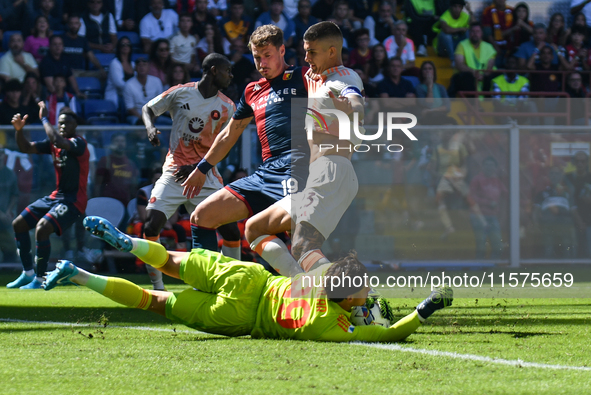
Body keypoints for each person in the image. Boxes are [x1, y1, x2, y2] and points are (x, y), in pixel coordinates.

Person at [43, 216, 454, 342]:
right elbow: (386, 336)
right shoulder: (329, 324)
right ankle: (78, 275)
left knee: (168, 260)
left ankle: (127, 242)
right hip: (239, 318)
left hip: (249, 279)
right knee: (155, 302)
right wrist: (424, 310)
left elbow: (309, 260)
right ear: (346, 300)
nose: (365, 300)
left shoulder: (328, 277)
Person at [244, 21, 365, 276]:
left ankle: (363, 302)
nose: (306, 58)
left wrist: (350, 109)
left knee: (302, 245)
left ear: (332, 52)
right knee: (255, 228)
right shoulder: (318, 77)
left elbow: (355, 102)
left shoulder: (343, 77)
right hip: (319, 174)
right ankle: (307, 291)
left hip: (331, 171)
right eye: (305, 51)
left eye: (312, 52)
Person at [180, 24, 309, 254]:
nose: (262, 63)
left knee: (301, 234)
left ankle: (348, 285)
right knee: (202, 216)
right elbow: (230, 133)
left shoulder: (303, 77)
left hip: (299, 167)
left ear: (282, 51)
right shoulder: (252, 91)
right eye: (257, 57)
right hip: (265, 173)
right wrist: (202, 169)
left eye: (267, 56)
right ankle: (211, 285)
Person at [140, 53, 242, 290]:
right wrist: (150, 128)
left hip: (206, 176)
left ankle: (234, 283)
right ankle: (157, 286)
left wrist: (199, 167)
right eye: (227, 71)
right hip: (175, 172)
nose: (231, 76)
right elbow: (148, 108)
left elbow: (225, 145)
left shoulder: (228, 106)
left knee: (230, 230)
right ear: (214, 70)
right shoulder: (180, 92)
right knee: (150, 226)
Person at [7, 103, 89, 289]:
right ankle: (28, 273)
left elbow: (59, 141)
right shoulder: (55, 143)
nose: (62, 126)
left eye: (66, 123)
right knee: (18, 224)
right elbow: (25, 148)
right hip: (56, 197)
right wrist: (19, 130)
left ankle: (40, 278)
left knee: (42, 228)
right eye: (60, 123)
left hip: (74, 201)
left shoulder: (78, 143)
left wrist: (44, 118)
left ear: (75, 126)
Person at [468, 156, 506, 260]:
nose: (489, 167)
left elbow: (505, 196)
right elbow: (472, 197)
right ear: (482, 166)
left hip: (493, 217)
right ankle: (479, 268)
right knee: (481, 245)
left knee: (498, 245)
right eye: (486, 164)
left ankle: (493, 267)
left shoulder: (497, 181)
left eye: (492, 165)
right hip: (479, 217)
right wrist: (488, 203)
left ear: (496, 168)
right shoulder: (477, 180)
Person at [448, 23, 496, 97]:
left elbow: (490, 66)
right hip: (468, 76)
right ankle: (474, 105)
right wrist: (473, 72)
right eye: (472, 31)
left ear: (481, 33)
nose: (475, 34)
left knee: (493, 76)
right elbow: (459, 64)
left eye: (477, 31)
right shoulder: (462, 45)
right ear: (469, 33)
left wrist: (483, 75)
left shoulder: (489, 47)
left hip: (483, 77)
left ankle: (488, 102)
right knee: (466, 77)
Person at [94, 133, 138, 206]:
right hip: (108, 202)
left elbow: (133, 186)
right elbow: (97, 184)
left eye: (122, 141)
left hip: (126, 202)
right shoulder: (105, 161)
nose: (120, 143)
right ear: (112, 143)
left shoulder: (131, 163)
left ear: (126, 144)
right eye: (117, 141)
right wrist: (97, 202)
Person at [123, 57, 164, 125]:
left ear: (149, 67)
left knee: (170, 122)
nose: (142, 67)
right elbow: (130, 108)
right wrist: (144, 119)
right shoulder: (129, 84)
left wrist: (153, 117)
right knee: (137, 122)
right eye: (139, 65)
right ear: (135, 68)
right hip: (137, 116)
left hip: (155, 116)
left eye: (144, 65)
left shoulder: (156, 81)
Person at [566, 151, 591, 257]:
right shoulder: (568, 178)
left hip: (589, 219)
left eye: (583, 161)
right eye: (577, 161)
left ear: (587, 162)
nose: (580, 164)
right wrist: (579, 221)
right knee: (575, 252)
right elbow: (568, 200)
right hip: (572, 220)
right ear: (574, 162)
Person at [104, 36, 135, 108]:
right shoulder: (114, 63)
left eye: (128, 44)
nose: (125, 46)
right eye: (123, 45)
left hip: (129, 95)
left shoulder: (133, 64)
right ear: (119, 47)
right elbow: (119, 84)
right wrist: (134, 90)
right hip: (116, 96)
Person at [0, 146, 19, 262]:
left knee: (10, 252)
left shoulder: (10, 174)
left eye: (1, 153)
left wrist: (7, 211)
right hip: (2, 217)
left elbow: (15, 194)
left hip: (5, 222)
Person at [481, 0, 513, 68]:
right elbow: (487, 33)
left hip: (509, 49)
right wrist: (496, 48)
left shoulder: (512, 10)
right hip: (494, 48)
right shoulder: (488, 11)